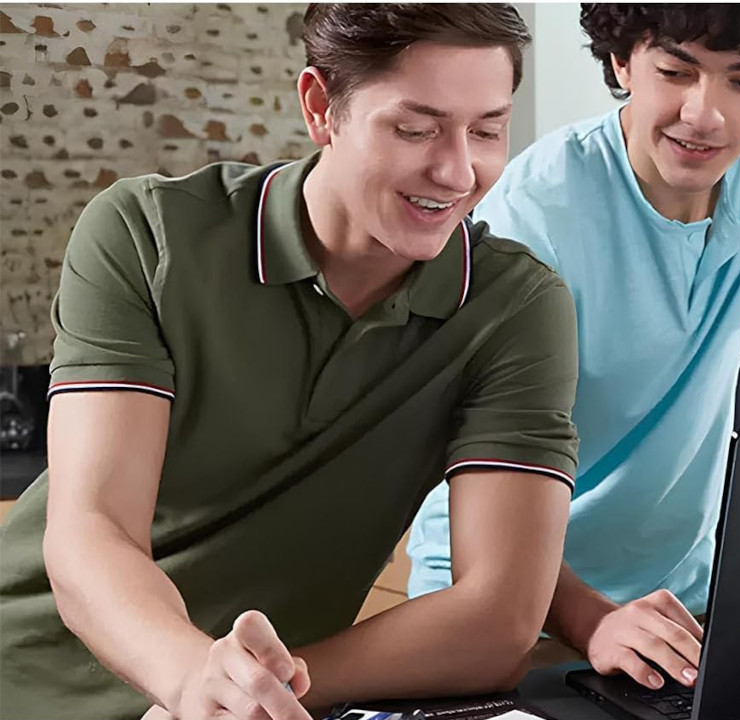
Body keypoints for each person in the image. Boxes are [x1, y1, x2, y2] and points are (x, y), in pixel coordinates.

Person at [0, 5, 580, 719]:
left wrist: (249, 693)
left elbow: (498, 617)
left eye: (488, 129)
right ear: (319, 106)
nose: (459, 169)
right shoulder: (144, 236)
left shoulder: (515, 308)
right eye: (415, 128)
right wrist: (191, 679)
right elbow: (92, 531)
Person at [408, 2, 740, 694]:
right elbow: (477, 482)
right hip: (503, 602)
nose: (704, 114)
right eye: (676, 71)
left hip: (678, 607)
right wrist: (595, 624)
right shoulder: (535, 212)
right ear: (623, 63)